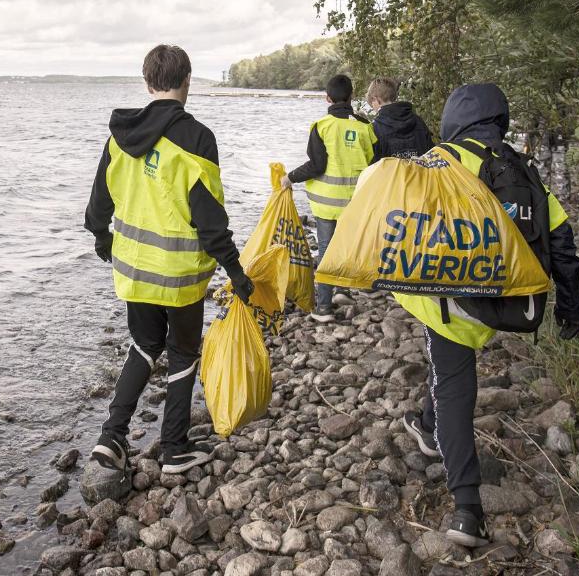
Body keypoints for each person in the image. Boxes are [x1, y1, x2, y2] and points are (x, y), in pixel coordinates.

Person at [394, 83, 579, 547]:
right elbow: (562, 244)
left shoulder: (438, 163)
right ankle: (425, 421)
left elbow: (400, 222)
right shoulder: (523, 171)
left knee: (455, 386)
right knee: (445, 374)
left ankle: (467, 510)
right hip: (505, 299)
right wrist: (570, 312)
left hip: (451, 301)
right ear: (498, 120)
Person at [84, 44, 254, 475]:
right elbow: (209, 218)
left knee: (143, 345)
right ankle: (174, 447)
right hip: (179, 276)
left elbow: (98, 202)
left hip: (133, 269)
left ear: (147, 82)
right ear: (187, 82)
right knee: (182, 352)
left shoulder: (119, 137)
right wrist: (235, 269)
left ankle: (112, 437)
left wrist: (102, 237)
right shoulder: (197, 139)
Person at [280, 74, 376, 319]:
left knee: (326, 250)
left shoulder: (321, 126)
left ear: (327, 98)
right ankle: (342, 289)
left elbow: (316, 165)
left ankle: (323, 307)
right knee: (345, 247)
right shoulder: (365, 127)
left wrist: (290, 177)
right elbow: (375, 163)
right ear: (352, 96)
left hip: (326, 203)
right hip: (355, 202)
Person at [365, 77, 434, 159]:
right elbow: (431, 153)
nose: (373, 108)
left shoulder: (375, 128)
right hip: (419, 171)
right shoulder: (417, 121)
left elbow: (374, 163)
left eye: (372, 103)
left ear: (376, 99)